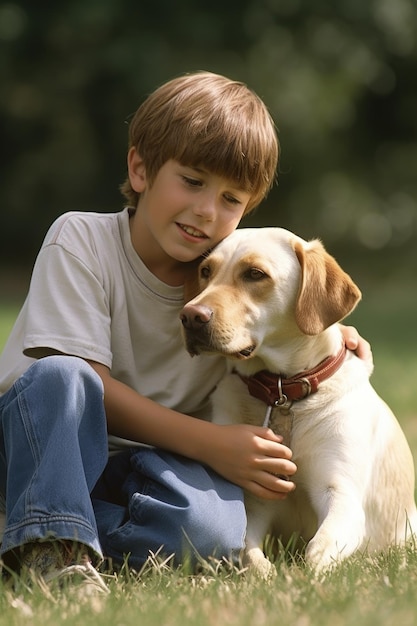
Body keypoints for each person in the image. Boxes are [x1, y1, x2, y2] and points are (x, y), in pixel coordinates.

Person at [0, 71, 371, 588]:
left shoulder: (228, 296)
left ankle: (42, 533)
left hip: (144, 471)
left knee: (213, 532)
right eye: (192, 182)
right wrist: (211, 444)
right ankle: (49, 542)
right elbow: (82, 381)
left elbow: (294, 320)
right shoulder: (79, 239)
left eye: (230, 200)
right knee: (63, 376)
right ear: (140, 168)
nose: (205, 211)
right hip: (39, 448)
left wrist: (337, 348)